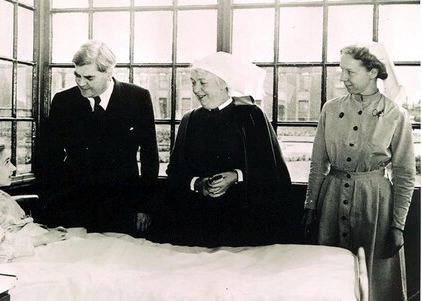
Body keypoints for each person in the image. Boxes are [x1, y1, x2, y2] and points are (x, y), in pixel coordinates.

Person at [302, 42, 416, 301]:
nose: (343, 78)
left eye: (350, 72)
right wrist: (310, 208)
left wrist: (397, 225)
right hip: (330, 205)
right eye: (341, 70)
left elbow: (405, 173)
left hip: (374, 206)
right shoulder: (330, 109)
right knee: (328, 278)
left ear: (373, 71)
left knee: (373, 282)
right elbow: (318, 163)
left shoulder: (396, 115)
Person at [160, 52, 292, 248]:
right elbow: (175, 172)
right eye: (193, 82)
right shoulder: (190, 120)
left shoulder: (252, 116)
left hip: (243, 226)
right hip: (197, 226)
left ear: (223, 83)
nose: (196, 90)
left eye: (203, 83)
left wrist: (236, 176)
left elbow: (272, 171)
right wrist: (198, 184)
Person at [37, 40, 159, 235]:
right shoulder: (63, 101)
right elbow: (49, 156)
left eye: (89, 77)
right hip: (73, 206)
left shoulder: (138, 98)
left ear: (109, 73)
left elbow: (149, 156)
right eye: (77, 75)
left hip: (122, 206)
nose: (81, 83)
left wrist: (145, 206)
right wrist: (52, 200)